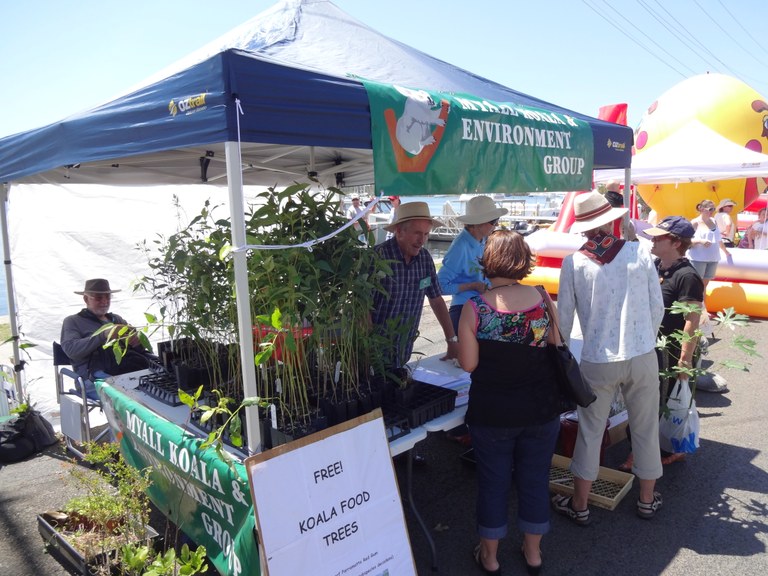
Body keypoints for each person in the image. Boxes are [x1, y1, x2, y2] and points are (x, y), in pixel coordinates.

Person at [555, 191, 665, 523]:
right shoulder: (639, 252)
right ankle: (647, 500)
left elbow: (563, 321)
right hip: (642, 352)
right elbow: (656, 307)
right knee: (645, 427)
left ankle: (581, 504)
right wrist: (643, 337)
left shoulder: (573, 262)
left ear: (584, 228)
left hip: (597, 359)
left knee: (590, 431)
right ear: (611, 221)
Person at [458, 230, 560, 576]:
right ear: (523, 260)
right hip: (541, 408)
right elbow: (556, 346)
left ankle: (490, 557)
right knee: (534, 479)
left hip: (493, 412)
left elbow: (469, 365)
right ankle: (533, 554)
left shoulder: (476, 309)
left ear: (488, 261)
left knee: (493, 482)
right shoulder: (542, 298)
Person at [619, 216, 705, 471]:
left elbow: (692, 321)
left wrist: (685, 361)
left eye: (659, 237)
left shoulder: (688, 276)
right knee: (643, 401)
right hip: (647, 345)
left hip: (671, 351)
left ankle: (650, 452)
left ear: (677, 242)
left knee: (659, 403)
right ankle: (651, 449)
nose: (653, 240)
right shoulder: (654, 265)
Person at [371, 202, 458, 374]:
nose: (422, 240)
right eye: (417, 233)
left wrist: (452, 340)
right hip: (373, 353)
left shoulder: (425, 259)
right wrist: (368, 349)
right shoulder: (376, 258)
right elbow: (362, 307)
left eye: (426, 234)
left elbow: (437, 300)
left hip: (404, 349)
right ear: (399, 231)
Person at [61, 278, 157, 401]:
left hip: (125, 372)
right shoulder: (73, 321)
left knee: (157, 387)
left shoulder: (116, 319)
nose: (105, 302)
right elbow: (71, 350)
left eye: (108, 297)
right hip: (93, 378)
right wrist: (103, 335)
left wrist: (136, 341)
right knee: (133, 399)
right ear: (86, 299)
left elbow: (140, 349)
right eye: (99, 298)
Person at [438, 195, 507, 334]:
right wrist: (472, 286)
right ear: (477, 223)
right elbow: (439, 287)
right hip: (463, 308)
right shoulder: (459, 248)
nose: (497, 225)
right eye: (493, 221)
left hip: (484, 304)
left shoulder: (484, 240)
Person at [687, 199, 731, 297]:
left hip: (713, 258)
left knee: (704, 285)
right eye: (710, 209)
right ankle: (695, 307)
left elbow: (718, 238)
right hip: (698, 258)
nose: (712, 211)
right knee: (696, 285)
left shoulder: (713, 221)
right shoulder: (695, 222)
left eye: (714, 209)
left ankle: (703, 307)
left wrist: (725, 251)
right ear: (702, 209)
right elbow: (686, 241)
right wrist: (700, 241)